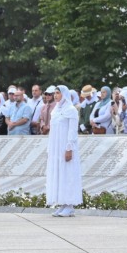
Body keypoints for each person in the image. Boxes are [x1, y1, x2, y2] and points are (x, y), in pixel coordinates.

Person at [46, 86, 82, 217]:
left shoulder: (71, 110)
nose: (55, 95)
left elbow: (72, 131)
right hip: (56, 148)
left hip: (66, 147)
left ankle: (70, 205)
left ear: (64, 95)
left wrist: (69, 148)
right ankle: (63, 203)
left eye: (58, 93)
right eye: (54, 93)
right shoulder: (55, 110)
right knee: (59, 175)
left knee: (68, 175)